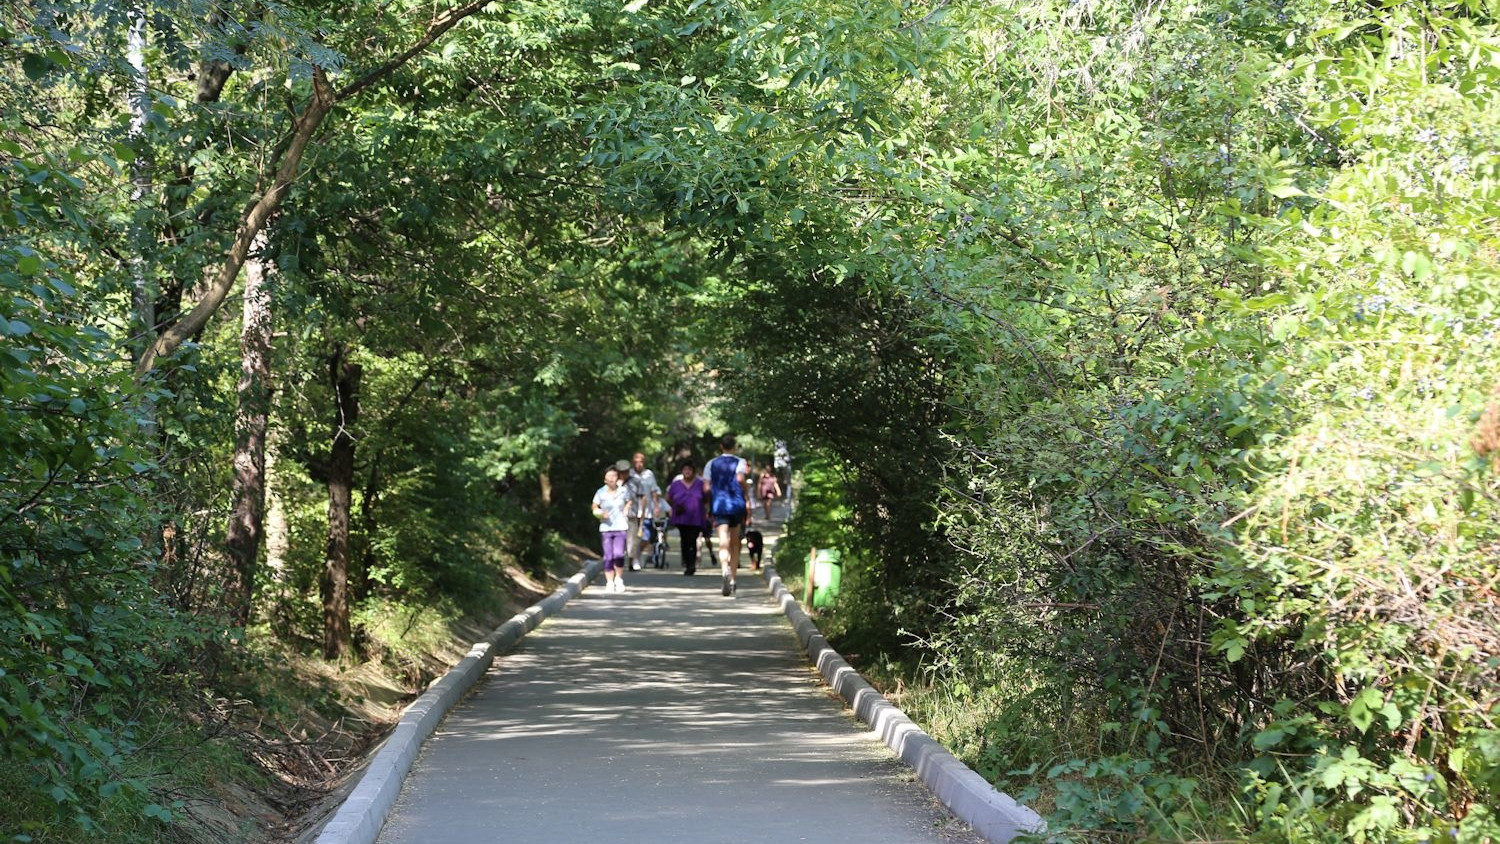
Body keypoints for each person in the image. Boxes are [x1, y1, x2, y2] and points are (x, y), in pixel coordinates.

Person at [707, 434, 751, 596]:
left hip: (719, 504)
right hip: (736, 505)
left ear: (721, 446)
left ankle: (724, 569)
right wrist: (746, 491)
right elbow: (740, 478)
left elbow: (706, 487)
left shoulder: (711, 463)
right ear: (734, 446)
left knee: (723, 540)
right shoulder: (740, 462)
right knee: (735, 542)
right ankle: (733, 579)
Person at [590, 466, 631, 593]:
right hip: (606, 528)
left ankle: (618, 579)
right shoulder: (600, 492)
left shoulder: (623, 491)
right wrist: (600, 513)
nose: (612, 478)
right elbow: (594, 506)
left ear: (617, 477)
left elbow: (629, 501)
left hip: (620, 526)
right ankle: (609, 582)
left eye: (614, 475)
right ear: (605, 479)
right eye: (609, 476)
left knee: (618, 554)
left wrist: (626, 509)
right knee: (608, 556)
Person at [665, 461, 709, 576]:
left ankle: (691, 565)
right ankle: (686, 560)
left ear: (693, 472)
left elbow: (706, 498)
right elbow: (668, 497)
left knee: (692, 540)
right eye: (685, 469)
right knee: (684, 540)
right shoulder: (676, 484)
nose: (687, 472)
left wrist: (705, 510)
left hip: (696, 517)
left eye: (689, 469)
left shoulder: (700, 484)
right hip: (681, 517)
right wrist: (675, 506)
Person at [624, 452, 660, 571]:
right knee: (632, 537)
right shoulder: (629, 474)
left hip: (647, 512)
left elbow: (654, 491)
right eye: (636, 462)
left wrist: (656, 506)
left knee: (646, 537)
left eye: (641, 462)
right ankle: (633, 558)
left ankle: (636, 555)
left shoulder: (649, 474)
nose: (639, 464)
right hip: (632, 512)